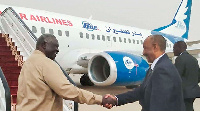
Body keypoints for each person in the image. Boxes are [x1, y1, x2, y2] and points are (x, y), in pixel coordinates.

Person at [16, 34, 112, 111]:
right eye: (55, 46)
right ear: (44, 45)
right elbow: (67, 91)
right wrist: (100, 99)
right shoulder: (46, 63)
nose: (57, 50)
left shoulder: (29, 62)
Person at [102, 35, 185, 111]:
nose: (143, 52)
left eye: (145, 48)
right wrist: (116, 99)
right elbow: (141, 91)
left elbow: (159, 106)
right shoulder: (155, 68)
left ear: (155, 47)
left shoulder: (163, 69)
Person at [173, 41, 200, 111]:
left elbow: (176, 76)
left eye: (174, 48)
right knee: (189, 108)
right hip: (193, 92)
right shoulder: (194, 59)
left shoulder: (180, 59)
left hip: (184, 93)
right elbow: (198, 76)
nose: (173, 50)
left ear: (179, 48)